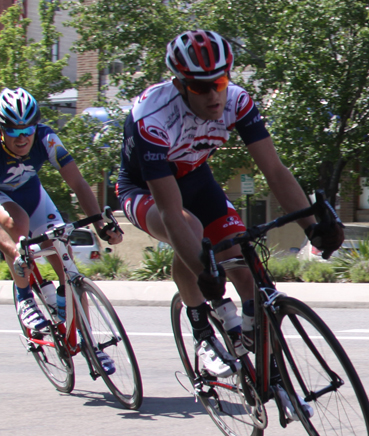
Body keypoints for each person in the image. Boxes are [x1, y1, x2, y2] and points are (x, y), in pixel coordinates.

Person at [116, 29, 345, 379]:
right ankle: (203, 333)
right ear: (179, 85)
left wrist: (312, 226)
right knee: (189, 231)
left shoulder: (237, 102)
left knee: (244, 264)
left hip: (195, 177)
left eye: (220, 81)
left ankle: (260, 354)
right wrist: (203, 271)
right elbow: (170, 213)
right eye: (199, 86)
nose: (213, 94)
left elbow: (274, 170)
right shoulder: (153, 118)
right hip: (144, 189)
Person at [0, 87, 124, 355]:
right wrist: (13, 246)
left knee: (66, 262)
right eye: (13, 131)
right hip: (3, 201)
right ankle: (24, 299)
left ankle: (89, 342)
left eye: (27, 129)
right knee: (17, 224)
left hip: (33, 197)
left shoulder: (47, 139)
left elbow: (78, 183)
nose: (22, 138)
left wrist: (100, 225)